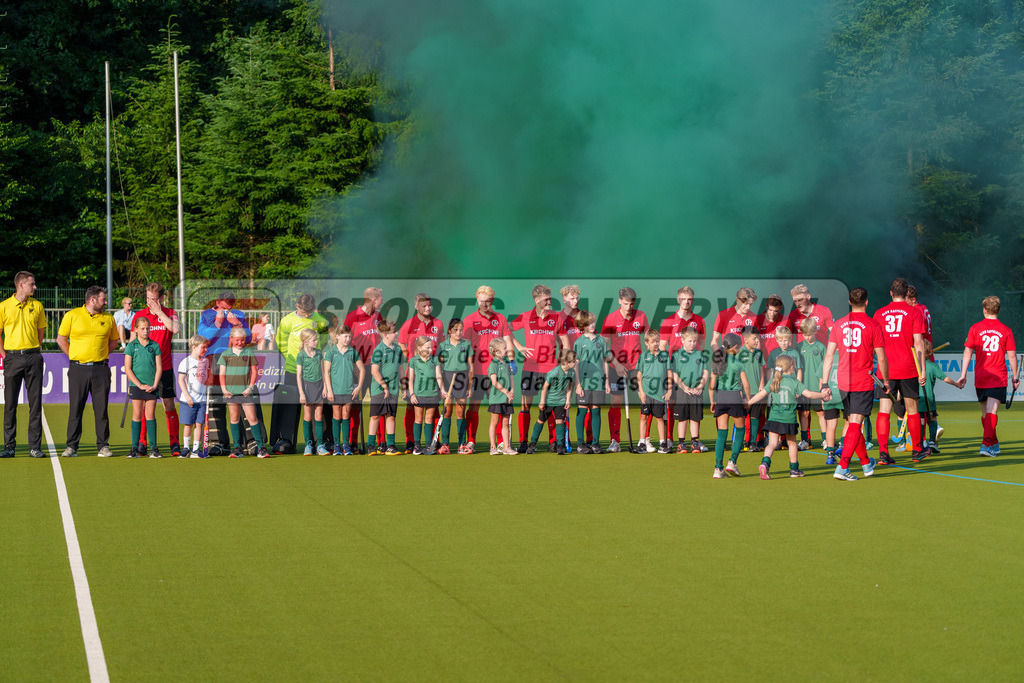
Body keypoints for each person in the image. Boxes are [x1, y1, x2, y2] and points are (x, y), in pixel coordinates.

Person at [822, 287, 887, 481]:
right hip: (862, 381)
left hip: (842, 381)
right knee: (855, 424)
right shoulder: (873, 325)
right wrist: (885, 380)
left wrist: (825, 383)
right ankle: (842, 467)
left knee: (852, 423)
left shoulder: (839, 325)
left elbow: (828, 356)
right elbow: (881, 358)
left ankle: (866, 463)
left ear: (849, 302)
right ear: (867, 302)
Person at [56, 286, 119, 457]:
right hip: (78, 369)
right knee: (76, 408)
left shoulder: (109, 318)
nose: (105, 302)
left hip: (101, 369)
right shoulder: (72, 315)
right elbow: (61, 339)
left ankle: (103, 446)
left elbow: (114, 341)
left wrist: (100, 354)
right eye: (102, 299)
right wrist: (74, 356)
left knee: (101, 409)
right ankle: (72, 446)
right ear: (92, 300)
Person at [747, 355, 831, 479]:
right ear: (792, 367)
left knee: (772, 444)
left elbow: (761, 395)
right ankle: (794, 470)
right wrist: (822, 395)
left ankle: (765, 463)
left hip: (774, 418)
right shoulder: (794, 382)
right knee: (792, 444)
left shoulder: (774, 381)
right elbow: (809, 394)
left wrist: (748, 402)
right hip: (789, 419)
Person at [873, 278, 927, 464]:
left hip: (885, 369)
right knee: (912, 410)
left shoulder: (879, 313)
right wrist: (922, 370)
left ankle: (883, 453)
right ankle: (917, 451)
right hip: (908, 367)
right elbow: (918, 343)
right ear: (906, 293)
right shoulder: (914, 312)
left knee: (884, 410)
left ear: (890, 293)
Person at [957, 296, 1018, 456]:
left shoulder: (975, 328)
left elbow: (967, 352)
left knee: (988, 413)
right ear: (998, 310)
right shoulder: (1006, 330)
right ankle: (989, 445)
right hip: (998, 376)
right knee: (989, 414)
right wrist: (1015, 376)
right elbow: (1012, 356)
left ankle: (990, 444)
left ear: (984, 309)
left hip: (981, 376)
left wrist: (963, 374)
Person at [129, 283, 182, 456]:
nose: (150, 302)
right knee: (144, 407)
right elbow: (132, 341)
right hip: (144, 371)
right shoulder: (139, 315)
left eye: (153, 299)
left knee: (168, 404)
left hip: (164, 368)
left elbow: (176, 329)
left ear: (161, 298)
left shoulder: (170, 313)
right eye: (148, 298)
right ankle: (143, 442)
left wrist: (159, 313)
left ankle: (174, 442)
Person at [273, 294, 330, 452]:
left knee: (316, 406)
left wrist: (314, 355)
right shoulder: (287, 321)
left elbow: (323, 340)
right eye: (304, 311)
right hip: (293, 368)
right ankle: (286, 440)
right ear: (297, 306)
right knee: (291, 406)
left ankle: (319, 442)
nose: (306, 314)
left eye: (309, 312)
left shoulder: (320, 320)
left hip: (313, 372)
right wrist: (290, 357)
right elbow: (281, 340)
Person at [196, 291, 251, 454]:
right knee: (215, 401)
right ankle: (218, 442)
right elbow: (202, 338)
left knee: (241, 399)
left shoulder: (239, 314)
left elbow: (247, 337)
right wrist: (218, 323)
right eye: (225, 306)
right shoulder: (206, 315)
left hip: (236, 359)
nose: (229, 309)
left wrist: (237, 325)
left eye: (231, 306)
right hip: (213, 359)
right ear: (218, 302)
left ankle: (246, 441)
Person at [0, 271, 46, 458]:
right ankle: (9, 446)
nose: (34, 287)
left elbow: (40, 331)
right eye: (32, 284)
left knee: (35, 404)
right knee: (10, 404)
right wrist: (5, 355)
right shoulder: (4, 306)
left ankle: (34, 447)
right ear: (21, 285)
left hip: (33, 357)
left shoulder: (37, 305)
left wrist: (34, 350)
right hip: (12, 358)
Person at [511, 285, 562, 452]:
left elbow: (563, 339)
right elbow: (507, 329)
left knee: (552, 406)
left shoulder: (556, 316)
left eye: (549, 298)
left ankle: (553, 442)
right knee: (525, 406)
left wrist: (563, 360)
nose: (549, 301)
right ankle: (524, 442)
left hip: (552, 368)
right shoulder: (526, 316)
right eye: (546, 299)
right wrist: (519, 347)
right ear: (536, 299)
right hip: (530, 368)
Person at [463, 285, 514, 453]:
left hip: (500, 371)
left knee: (500, 406)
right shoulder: (470, 319)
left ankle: (501, 442)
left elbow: (508, 341)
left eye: (487, 301)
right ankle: (471, 441)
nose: (484, 305)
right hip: (478, 370)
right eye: (481, 301)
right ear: (477, 300)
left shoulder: (500, 318)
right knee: (474, 406)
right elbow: (465, 346)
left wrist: (511, 360)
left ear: (492, 301)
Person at [397, 293, 444, 452]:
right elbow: (402, 346)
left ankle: (433, 441)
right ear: (416, 306)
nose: (427, 308)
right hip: (414, 371)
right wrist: (411, 362)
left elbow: (442, 347)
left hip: (432, 369)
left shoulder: (438, 323)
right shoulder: (408, 324)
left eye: (429, 305)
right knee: (412, 407)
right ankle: (411, 441)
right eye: (424, 306)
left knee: (433, 409)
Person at [600, 287, 645, 452]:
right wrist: (617, 364)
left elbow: (648, 339)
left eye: (631, 303)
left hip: (636, 365)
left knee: (645, 399)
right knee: (615, 403)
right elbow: (603, 346)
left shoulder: (641, 316)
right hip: (615, 366)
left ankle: (643, 440)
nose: (628, 307)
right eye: (625, 303)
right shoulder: (610, 319)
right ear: (620, 301)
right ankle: (615, 441)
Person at [218, 326, 270, 458]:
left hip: (246, 392)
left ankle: (261, 448)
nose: (240, 343)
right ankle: (237, 448)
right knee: (234, 418)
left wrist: (250, 387)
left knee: (252, 418)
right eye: (237, 340)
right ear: (231, 339)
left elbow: (254, 372)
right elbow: (222, 374)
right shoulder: (225, 354)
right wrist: (224, 390)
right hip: (230, 392)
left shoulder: (249, 353)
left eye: (242, 340)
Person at [344, 287, 383, 453]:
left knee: (379, 403)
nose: (382, 301)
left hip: (375, 367)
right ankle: (352, 442)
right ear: (373, 300)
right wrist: (353, 364)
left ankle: (380, 442)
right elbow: (345, 342)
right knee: (354, 405)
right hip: (358, 367)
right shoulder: (352, 316)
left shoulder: (378, 316)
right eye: (380, 298)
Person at [707, 333, 749, 478]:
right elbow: (746, 384)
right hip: (735, 398)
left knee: (721, 434)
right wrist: (748, 399)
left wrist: (712, 400)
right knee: (740, 429)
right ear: (735, 347)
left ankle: (718, 469)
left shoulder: (718, 362)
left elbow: (711, 384)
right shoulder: (738, 363)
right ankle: (732, 462)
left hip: (722, 398)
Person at [573, 310, 612, 454]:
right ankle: (580, 444)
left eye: (593, 322)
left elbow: (605, 361)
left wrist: (606, 382)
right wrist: (578, 384)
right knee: (582, 411)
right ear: (582, 325)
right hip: (583, 383)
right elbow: (575, 364)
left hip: (598, 383)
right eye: (589, 323)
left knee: (596, 411)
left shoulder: (601, 340)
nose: (592, 325)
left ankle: (595, 443)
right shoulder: (579, 342)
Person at [124, 317, 163, 458]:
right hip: (136, 386)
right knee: (137, 415)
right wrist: (139, 385)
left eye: (148, 328)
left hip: (151, 387)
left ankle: (154, 448)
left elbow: (159, 367)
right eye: (142, 328)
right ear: (135, 329)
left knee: (150, 415)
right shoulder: (131, 346)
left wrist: (154, 385)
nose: (146, 331)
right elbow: (128, 369)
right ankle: (134, 448)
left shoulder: (155, 345)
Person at [324, 324, 364, 456]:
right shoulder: (331, 352)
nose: (348, 339)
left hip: (349, 391)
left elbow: (362, 370)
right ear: (337, 336)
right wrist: (329, 390)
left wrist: (358, 387)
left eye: (349, 336)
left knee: (346, 416)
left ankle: (346, 446)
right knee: (336, 416)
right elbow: (326, 372)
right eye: (345, 336)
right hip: (335, 391)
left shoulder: (352, 352)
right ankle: (336, 446)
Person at [527, 349, 576, 454]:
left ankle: (560, 446)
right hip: (548, 402)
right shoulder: (554, 372)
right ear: (566, 363)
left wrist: (567, 400)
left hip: (560, 402)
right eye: (573, 361)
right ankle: (532, 445)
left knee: (559, 422)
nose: (575, 362)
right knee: (541, 421)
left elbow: (569, 386)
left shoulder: (572, 372)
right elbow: (544, 387)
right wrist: (542, 402)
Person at [669, 328, 709, 454]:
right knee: (683, 418)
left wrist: (700, 386)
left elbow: (705, 372)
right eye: (690, 341)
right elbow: (674, 374)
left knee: (694, 418)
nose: (692, 343)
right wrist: (684, 387)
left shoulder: (700, 355)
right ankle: (681, 443)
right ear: (682, 340)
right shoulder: (676, 355)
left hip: (696, 392)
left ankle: (695, 442)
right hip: (682, 392)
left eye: (694, 341)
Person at [367, 320, 404, 455]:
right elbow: (374, 371)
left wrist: (403, 387)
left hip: (394, 389)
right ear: (385, 335)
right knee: (375, 416)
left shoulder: (398, 349)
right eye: (393, 332)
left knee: (391, 417)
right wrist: (384, 386)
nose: (396, 333)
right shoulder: (378, 350)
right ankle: (371, 446)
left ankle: (390, 445)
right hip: (379, 390)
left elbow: (400, 368)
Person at [917, 339, 959, 452]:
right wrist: (956, 384)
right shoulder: (932, 366)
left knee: (920, 420)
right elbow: (945, 378)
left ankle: (919, 443)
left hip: (916, 400)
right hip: (929, 399)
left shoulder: (914, 366)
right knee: (932, 418)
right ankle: (932, 442)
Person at [636, 330, 672, 453]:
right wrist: (641, 391)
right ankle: (642, 443)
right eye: (652, 342)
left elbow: (669, 373)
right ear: (646, 343)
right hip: (646, 392)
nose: (655, 344)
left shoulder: (665, 355)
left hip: (660, 393)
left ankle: (662, 443)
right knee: (643, 417)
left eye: (657, 341)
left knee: (659, 418)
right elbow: (639, 375)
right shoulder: (643, 356)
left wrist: (669, 390)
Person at [407, 336, 443, 454]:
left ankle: (428, 445)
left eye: (431, 347)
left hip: (432, 394)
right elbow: (411, 379)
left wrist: (442, 389)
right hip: (419, 395)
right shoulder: (413, 361)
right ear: (419, 348)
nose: (430, 350)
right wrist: (412, 394)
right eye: (427, 347)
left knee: (429, 419)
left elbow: (438, 376)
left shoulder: (435, 360)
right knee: (418, 419)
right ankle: (417, 445)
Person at [295, 328, 328, 455]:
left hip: (319, 386)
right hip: (307, 387)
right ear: (306, 342)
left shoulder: (319, 353)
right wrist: (301, 393)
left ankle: (319, 445)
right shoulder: (301, 355)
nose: (316, 342)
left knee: (318, 416)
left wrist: (325, 387)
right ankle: (308, 445)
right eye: (314, 340)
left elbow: (323, 371)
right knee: (308, 417)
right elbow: (298, 376)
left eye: (316, 339)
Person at [177, 335, 210, 458]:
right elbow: (181, 380)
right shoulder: (186, 362)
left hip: (201, 399)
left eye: (206, 347)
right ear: (194, 347)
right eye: (203, 347)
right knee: (188, 424)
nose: (205, 350)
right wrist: (187, 396)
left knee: (199, 424)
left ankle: (196, 449)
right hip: (188, 400)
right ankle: (186, 448)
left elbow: (206, 378)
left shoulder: (206, 361)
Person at [796, 318, 827, 450]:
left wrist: (823, 384)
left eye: (809, 334)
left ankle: (825, 440)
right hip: (803, 387)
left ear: (815, 331)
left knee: (821, 413)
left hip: (817, 387)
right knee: (804, 414)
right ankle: (804, 441)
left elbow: (825, 367)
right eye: (805, 334)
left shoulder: (821, 347)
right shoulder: (798, 347)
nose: (807, 337)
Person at [737, 326, 766, 452]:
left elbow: (761, 370)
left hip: (756, 392)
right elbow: (736, 372)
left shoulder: (758, 353)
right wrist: (739, 390)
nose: (756, 341)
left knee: (755, 418)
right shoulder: (738, 353)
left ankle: (753, 443)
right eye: (754, 338)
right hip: (743, 392)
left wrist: (761, 385)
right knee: (740, 419)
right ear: (746, 340)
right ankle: (740, 442)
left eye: (757, 338)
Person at [486, 338, 516, 455]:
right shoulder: (493, 364)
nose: (506, 350)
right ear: (497, 352)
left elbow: (511, 379)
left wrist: (511, 392)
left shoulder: (507, 363)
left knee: (505, 423)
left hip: (507, 399)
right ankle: (493, 447)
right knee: (494, 422)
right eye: (504, 348)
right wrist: (506, 392)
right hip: (497, 398)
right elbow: (494, 382)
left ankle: (506, 447)